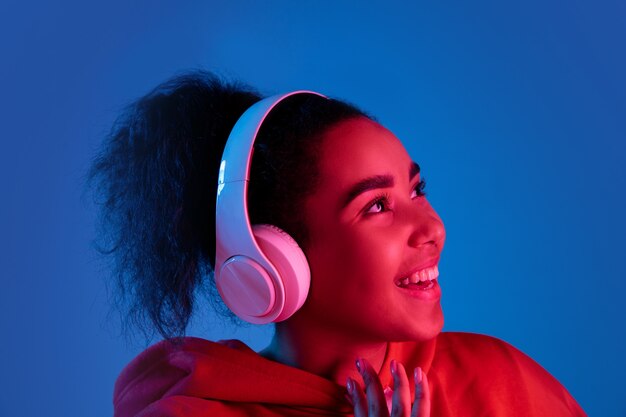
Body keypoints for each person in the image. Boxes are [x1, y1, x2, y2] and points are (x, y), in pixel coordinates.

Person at [90, 71, 586, 417]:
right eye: (376, 206)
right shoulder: (188, 411)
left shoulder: (501, 381)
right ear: (273, 260)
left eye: (416, 189)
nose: (433, 228)